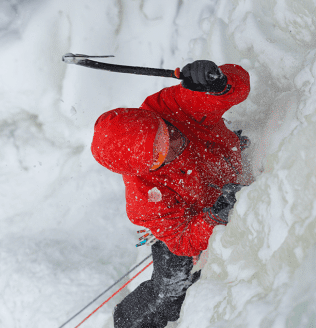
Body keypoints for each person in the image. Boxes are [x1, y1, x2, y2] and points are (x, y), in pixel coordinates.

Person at [91, 60, 251, 328]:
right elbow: (182, 240)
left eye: (166, 132)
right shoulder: (144, 198)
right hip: (181, 223)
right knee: (168, 293)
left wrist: (219, 84)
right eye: (162, 152)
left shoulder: (170, 108)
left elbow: (239, 86)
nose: (176, 142)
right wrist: (213, 218)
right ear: (144, 168)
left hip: (221, 173)